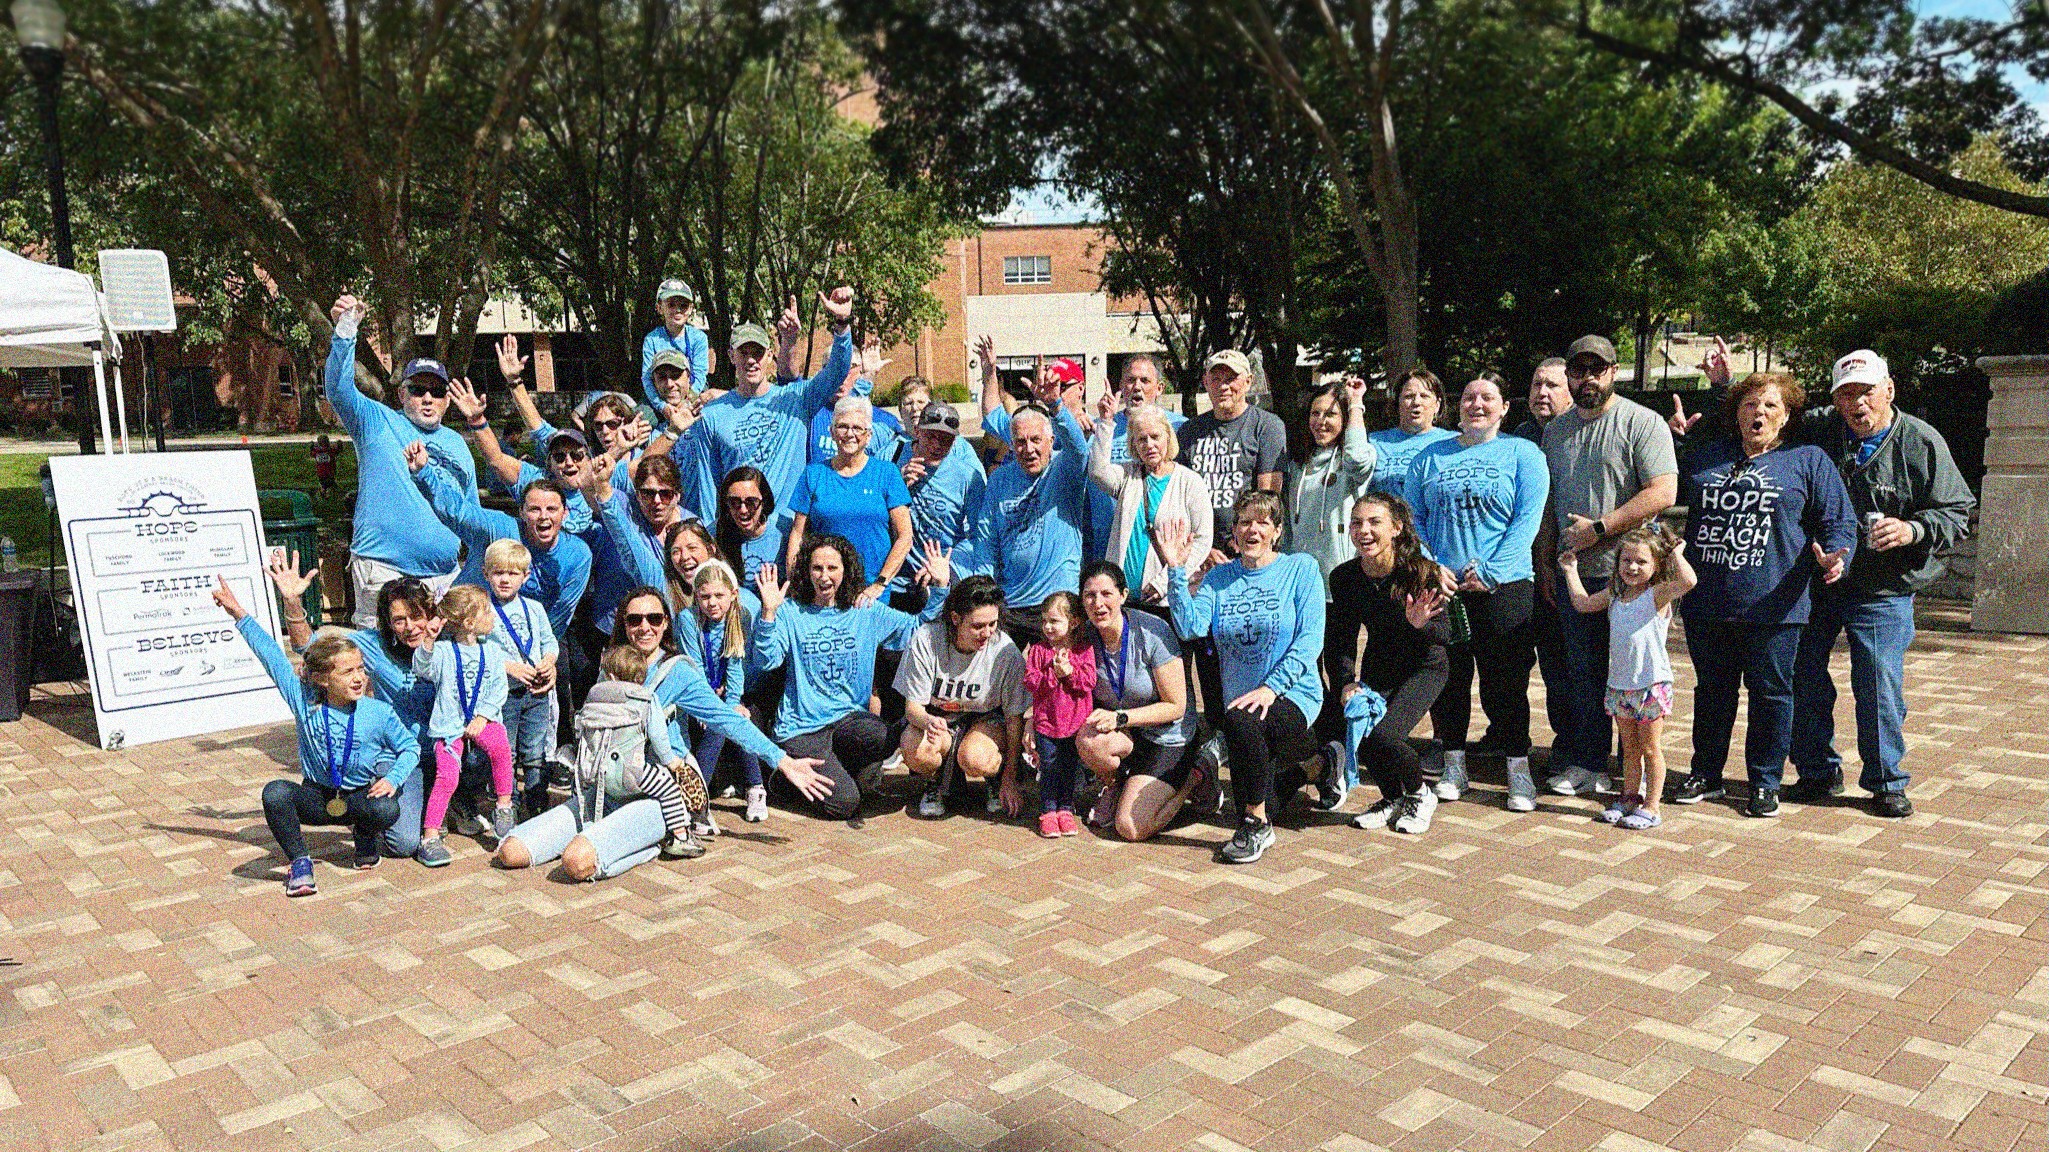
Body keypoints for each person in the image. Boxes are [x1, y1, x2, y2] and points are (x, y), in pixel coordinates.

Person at [1789, 350, 1976, 818]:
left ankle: (1886, 781)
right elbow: (1762, 416)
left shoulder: (1921, 441)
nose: (1857, 404)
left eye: (1866, 392)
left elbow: (1956, 511)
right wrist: (1724, 387)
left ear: (1889, 390)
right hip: (1819, 582)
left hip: (1883, 589)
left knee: (1876, 684)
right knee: (1801, 674)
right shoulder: (1818, 430)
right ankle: (1816, 771)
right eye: (1846, 394)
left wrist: (1911, 529)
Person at [1674, 372, 1857, 818]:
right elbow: (1666, 488)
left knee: (1772, 694)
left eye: (1770, 406)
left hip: (1777, 604)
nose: (1759, 413)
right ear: (1736, 413)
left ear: (1787, 415)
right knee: (1712, 692)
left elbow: (1839, 520)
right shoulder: (1708, 456)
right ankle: (1706, 774)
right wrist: (1677, 444)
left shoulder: (1807, 459)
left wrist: (1836, 557)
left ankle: (1764, 781)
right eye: (1750, 405)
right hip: (1708, 601)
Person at [1160, 491, 1344, 865]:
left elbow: (1310, 642)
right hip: (1244, 706)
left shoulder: (1301, 569)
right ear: (1234, 533)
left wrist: (1269, 688)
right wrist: (1176, 572)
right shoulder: (1220, 578)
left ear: (1277, 531)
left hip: (1293, 696)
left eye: (1263, 522)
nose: (1253, 529)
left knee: (1243, 735)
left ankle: (1256, 825)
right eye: (1244, 522)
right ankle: (1319, 766)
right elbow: (1191, 626)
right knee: (1266, 785)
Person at [1539, 335, 1678, 797]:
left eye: (1596, 370)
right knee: (1582, 671)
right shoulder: (1555, 430)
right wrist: (1547, 562)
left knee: (1632, 673)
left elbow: (1663, 492)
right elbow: (1548, 501)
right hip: (1574, 572)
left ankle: (1633, 769)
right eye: (1578, 371)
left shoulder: (1642, 422)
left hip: (1631, 576)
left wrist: (1601, 528)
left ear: (1613, 372)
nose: (1587, 379)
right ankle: (1588, 762)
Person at [213, 578, 415, 896]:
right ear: (322, 679)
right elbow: (272, 657)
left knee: (387, 809)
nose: (360, 677)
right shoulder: (303, 700)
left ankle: (364, 835)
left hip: (361, 798)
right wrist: (239, 613)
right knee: (276, 793)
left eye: (361, 669)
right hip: (318, 799)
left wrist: (393, 778)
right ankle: (300, 861)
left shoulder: (378, 712)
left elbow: (409, 748)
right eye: (347, 672)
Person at [1405, 372, 1550, 809]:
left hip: (1503, 586)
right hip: (1444, 586)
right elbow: (1414, 520)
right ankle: (1453, 765)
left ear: (1505, 407)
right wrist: (1433, 567)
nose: (1478, 405)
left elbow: (1527, 519)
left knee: (1504, 681)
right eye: (1469, 397)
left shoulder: (1524, 453)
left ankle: (1517, 768)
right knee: (1448, 677)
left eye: (1488, 397)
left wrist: (1492, 570)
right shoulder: (1430, 457)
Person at [753, 538, 944, 822]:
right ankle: (781, 780)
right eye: (817, 568)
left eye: (832, 567)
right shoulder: (791, 611)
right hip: (802, 729)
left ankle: (844, 770)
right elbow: (766, 660)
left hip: (848, 721)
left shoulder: (864, 610)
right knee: (844, 804)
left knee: (885, 736)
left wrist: (940, 588)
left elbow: (918, 629)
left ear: (846, 570)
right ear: (806, 571)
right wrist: (768, 612)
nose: (824, 575)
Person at [269, 558, 443, 861]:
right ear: (388, 623)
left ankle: (455, 802)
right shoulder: (373, 646)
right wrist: (292, 601)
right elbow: (308, 646)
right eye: (399, 619)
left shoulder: (450, 640)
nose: (410, 627)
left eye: (417, 616)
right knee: (402, 845)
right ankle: (366, 820)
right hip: (405, 757)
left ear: (432, 613)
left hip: (449, 749)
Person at [323, 294, 477, 626]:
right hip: (382, 572)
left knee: (440, 672)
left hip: (444, 579)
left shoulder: (458, 445)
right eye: (418, 389)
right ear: (401, 394)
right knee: (381, 668)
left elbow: (473, 517)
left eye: (436, 391)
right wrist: (347, 330)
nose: (427, 397)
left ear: (447, 400)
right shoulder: (375, 421)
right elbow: (337, 390)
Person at [683, 290, 856, 535]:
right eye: (744, 352)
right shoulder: (712, 414)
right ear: (732, 356)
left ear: (769, 357)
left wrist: (841, 325)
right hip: (736, 535)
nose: (751, 360)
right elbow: (709, 484)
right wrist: (713, 537)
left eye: (758, 352)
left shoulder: (796, 398)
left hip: (787, 533)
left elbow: (837, 371)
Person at [1330, 496, 1454, 835]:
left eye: (1374, 522)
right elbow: (1341, 639)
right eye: (1357, 523)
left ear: (1397, 528)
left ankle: (1419, 794)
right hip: (1380, 665)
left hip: (1425, 666)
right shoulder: (1344, 578)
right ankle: (1392, 798)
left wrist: (1421, 624)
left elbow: (1445, 634)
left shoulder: (1420, 572)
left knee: (1386, 735)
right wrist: (1345, 682)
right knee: (1362, 733)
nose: (1364, 531)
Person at [1559, 526, 1696, 830]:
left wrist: (1676, 554)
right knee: (1630, 748)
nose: (1632, 567)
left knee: (1651, 748)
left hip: (1650, 686)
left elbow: (1689, 580)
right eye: (1626, 561)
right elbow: (1582, 603)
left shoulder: (1656, 595)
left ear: (1656, 565)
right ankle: (1629, 797)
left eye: (1642, 562)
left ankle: (1652, 806)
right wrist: (1571, 570)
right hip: (1620, 686)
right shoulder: (1614, 595)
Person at [406, 433, 592, 642]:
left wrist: (539, 651)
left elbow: (559, 615)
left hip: (525, 642)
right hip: (465, 631)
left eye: (551, 509)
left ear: (564, 513)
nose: (543, 517)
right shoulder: (499, 528)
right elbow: (456, 512)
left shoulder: (578, 555)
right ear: (521, 512)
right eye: (534, 509)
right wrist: (424, 472)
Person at [1073, 563, 1198, 841]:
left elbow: (1176, 706)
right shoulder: (1084, 636)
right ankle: (1114, 784)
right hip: (1128, 735)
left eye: (1107, 594)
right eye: (1089, 596)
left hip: (1168, 736)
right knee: (1089, 739)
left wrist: (1121, 718)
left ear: (1123, 595)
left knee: (1130, 827)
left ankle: (1195, 777)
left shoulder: (1153, 631)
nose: (1098, 604)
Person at [890, 571, 1026, 820]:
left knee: (974, 758)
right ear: (955, 618)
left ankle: (993, 781)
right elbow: (912, 708)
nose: (987, 633)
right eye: (977, 626)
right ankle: (935, 782)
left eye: (992, 624)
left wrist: (1010, 778)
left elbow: (1015, 720)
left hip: (985, 718)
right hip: (939, 716)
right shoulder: (927, 639)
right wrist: (928, 722)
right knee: (914, 747)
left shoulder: (1005, 651)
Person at [1287, 377, 1376, 746]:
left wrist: (1355, 404)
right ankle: (1322, 739)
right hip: (1304, 585)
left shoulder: (1356, 462)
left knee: (1341, 668)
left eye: (1331, 415)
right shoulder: (1298, 464)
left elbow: (1357, 456)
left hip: (1339, 583)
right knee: (1307, 666)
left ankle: (1347, 742)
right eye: (1316, 413)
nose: (1322, 421)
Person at [966, 400, 1092, 648]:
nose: (1029, 449)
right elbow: (986, 538)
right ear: (1012, 445)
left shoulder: (1064, 469)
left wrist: (1056, 406)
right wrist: (985, 592)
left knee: (1060, 679)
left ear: (1051, 441)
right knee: (997, 679)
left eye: (1036, 440)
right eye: (1021, 442)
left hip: (1057, 600)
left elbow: (1080, 450)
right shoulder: (1000, 479)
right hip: (1010, 602)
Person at [410, 585, 518, 865]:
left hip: (483, 719)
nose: (492, 615)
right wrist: (428, 643)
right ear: (470, 623)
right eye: (487, 611)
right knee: (447, 776)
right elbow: (422, 670)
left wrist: (483, 716)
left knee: (501, 748)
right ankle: (430, 836)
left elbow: (498, 689)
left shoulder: (493, 652)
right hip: (449, 726)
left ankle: (504, 805)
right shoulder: (444, 651)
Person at [786, 395, 914, 606]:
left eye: (857, 428)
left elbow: (904, 536)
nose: (850, 434)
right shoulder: (813, 474)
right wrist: (796, 582)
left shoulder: (887, 473)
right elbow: (797, 534)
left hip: (871, 596)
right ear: (832, 432)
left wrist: (880, 584)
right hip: (824, 593)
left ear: (869, 435)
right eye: (842, 427)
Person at [1086, 401, 1212, 609]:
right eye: (1141, 439)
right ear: (1133, 445)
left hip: (1163, 600)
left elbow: (1202, 540)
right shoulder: (1128, 475)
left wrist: (1163, 582)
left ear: (1168, 437)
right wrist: (1106, 422)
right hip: (1122, 601)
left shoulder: (1189, 482)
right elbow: (1098, 471)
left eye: (1155, 437)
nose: (1149, 445)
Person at [679, 561, 771, 823]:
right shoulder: (688, 619)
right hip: (695, 696)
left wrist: (732, 702)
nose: (712, 603)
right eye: (705, 596)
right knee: (723, 721)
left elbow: (735, 665)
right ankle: (702, 797)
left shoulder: (739, 616)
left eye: (719, 595)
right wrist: (707, 707)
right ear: (696, 597)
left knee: (736, 718)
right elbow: (694, 667)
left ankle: (752, 789)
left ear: (733, 594)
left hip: (724, 694)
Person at [475, 540, 560, 820]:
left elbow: (549, 642)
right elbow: (474, 652)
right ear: (486, 574)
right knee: (506, 753)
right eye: (498, 572)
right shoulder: (482, 610)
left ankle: (536, 799)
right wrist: (507, 667)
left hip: (536, 693)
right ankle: (506, 802)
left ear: (525, 576)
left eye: (513, 573)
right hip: (503, 696)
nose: (505, 579)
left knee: (536, 750)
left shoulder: (534, 608)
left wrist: (548, 662)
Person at [1515, 358, 1573, 757]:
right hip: (1521, 568)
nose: (1542, 393)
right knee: (1519, 663)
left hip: (1566, 566)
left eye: (1552, 385)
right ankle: (1508, 732)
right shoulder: (1518, 436)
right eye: (1537, 384)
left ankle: (1577, 745)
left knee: (1568, 666)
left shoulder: (1577, 433)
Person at [893, 403, 986, 615]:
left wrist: (946, 566)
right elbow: (869, 511)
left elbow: (979, 536)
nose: (937, 445)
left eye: (945, 440)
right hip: (895, 578)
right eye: (931, 436)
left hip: (940, 578)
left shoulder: (967, 477)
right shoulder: (893, 456)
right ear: (917, 431)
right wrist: (896, 485)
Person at [1022, 591, 1096, 838]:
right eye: (1044, 621)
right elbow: (1031, 682)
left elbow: (1089, 682)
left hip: (1075, 722)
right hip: (1046, 722)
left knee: (1070, 766)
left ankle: (1065, 808)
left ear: (1073, 622)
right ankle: (1047, 810)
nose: (1047, 627)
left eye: (1054, 621)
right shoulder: (1038, 651)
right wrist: (1054, 674)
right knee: (1049, 766)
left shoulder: (1084, 649)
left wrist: (1070, 672)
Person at [1367, 367, 1457, 496]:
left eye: (1424, 396)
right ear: (1398, 403)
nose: (1416, 402)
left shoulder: (1453, 442)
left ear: (1437, 405)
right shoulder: (1374, 442)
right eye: (1409, 396)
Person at [640, 279, 713, 410]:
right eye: (671, 305)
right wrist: (662, 407)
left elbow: (701, 374)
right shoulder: (652, 340)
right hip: (660, 393)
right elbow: (647, 378)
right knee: (640, 418)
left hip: (693, 390)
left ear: (690, 308)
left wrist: (687, 402)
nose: (678, 310)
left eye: (683, 306)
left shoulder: (699, 338)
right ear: (659, 308)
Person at [713, 466, 783, 587]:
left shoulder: (784, 528)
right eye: (734, 502)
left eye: (751, 502)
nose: (743, 510)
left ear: (764, 501)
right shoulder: (714, 533)